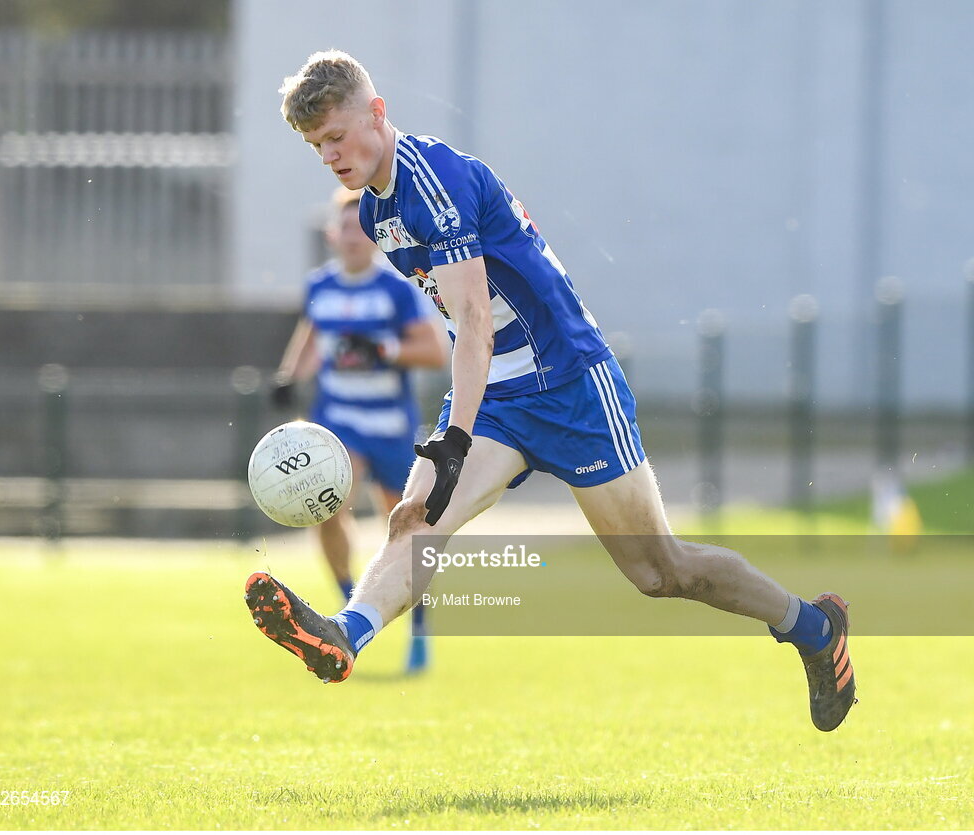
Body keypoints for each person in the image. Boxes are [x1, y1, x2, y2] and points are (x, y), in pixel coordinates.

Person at [246, 50, 857, 732]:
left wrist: (452, 438)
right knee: (415, 522)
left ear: (376, 112)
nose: (328, 154)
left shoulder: (433, 180)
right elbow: (467, 326)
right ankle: (343, 634)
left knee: (661, 572)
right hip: (497, 393)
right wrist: (461, 434)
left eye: (335, 135)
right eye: (314, 146)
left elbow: (474, 319)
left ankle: (812, 628)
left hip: (569, 381)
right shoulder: (373, 212)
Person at [270, 186, 448, 674]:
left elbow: (435, 353)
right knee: (325, 505)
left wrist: (384, 351)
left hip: (390, 425)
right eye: (344, 227)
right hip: (336, 422)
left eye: (360, 228)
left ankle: (416, 625)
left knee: (403, 527)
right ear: (332, 234)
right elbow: (311, 335)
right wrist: (289, 377)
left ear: (372, 236)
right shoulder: (320, 287)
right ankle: (348, 610)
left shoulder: (396, 291)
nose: (352, 237)